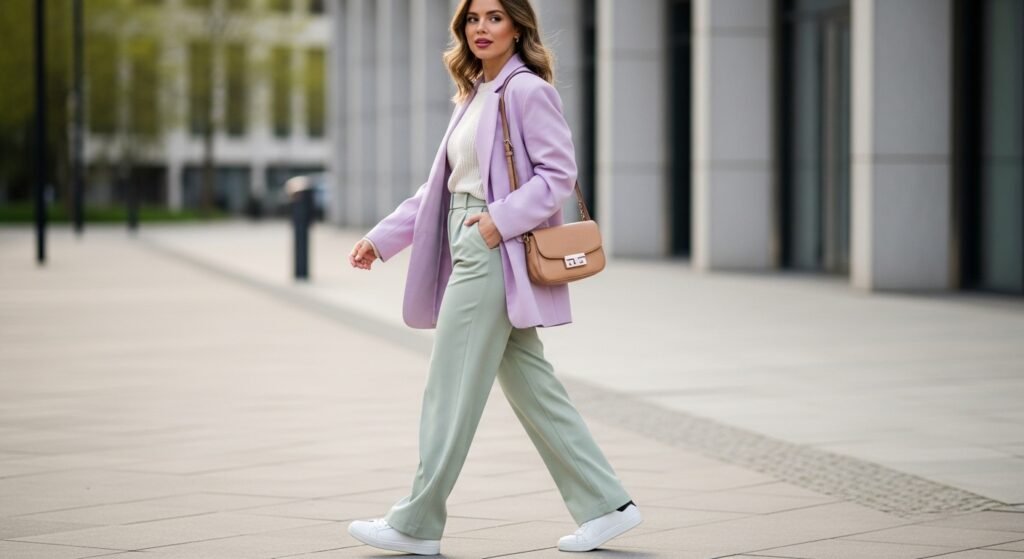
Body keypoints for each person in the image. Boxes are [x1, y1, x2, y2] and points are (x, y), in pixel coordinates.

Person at [345, 0, 641, 554]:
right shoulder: (474, 94)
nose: (482, 28)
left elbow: (558, 177)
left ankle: (416, 523)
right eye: (473, 19)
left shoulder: (528, 90)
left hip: (490, 244)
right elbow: (441, 189)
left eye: (494, 18)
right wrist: (382, 238)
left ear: (517, 26)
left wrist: (494, 226)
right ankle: (608, 506)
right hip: (471, 235)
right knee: (534, 387)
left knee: (450, 386)